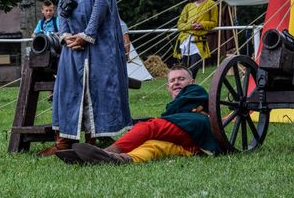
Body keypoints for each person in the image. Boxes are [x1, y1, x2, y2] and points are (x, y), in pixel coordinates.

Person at [37, 0, 132, 157]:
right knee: (67, 86)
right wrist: (67, 33)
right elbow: (63, 6)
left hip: (100, 40)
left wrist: (88, 34)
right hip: (73, 42)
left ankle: (95, 139)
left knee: (99, 86)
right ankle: (64, 142)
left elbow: (102, 0)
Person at [55, 65, 221, 165]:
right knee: (153, 145)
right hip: (191, 145)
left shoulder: (195, 90)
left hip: (194, 128)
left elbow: (173, 112)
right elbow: (173, 112)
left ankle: (106, 151)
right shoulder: (176, 106)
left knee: (149, 127)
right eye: (172, 81)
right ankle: (121, 159)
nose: (176, 82)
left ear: (191, 82)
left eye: (181, 79)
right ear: (168, 87)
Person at [173, 0, 218, 78]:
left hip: (199, 41)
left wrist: (202, 24)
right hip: (184, 40)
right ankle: (184, 89)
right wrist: (190, 26)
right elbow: (180, 24)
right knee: (183, 69)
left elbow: (214, 22)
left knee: (193, 68)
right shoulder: (188, 6)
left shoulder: (211, 4)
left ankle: (191, 87)